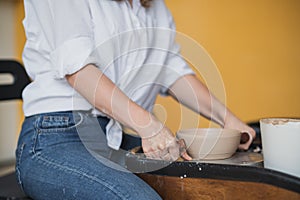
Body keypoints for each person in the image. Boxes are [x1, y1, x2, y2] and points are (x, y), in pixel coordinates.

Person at [16, 0, 256, 199]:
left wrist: (229, 121)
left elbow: (170, 70)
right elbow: (79, 71)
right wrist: (147, 125)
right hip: (55, 139)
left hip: (112, 137)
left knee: (193, 187)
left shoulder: (153, 6)